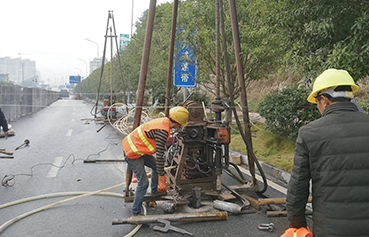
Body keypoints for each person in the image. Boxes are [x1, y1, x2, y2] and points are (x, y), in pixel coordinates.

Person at [285, 68, 369, 237]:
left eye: (316, 102)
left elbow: (298, 187)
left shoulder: (309, 133)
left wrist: (298, 224)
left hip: (330, 229)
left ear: (324, 100)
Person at [122, 106, 189, 216]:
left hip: (138, 149)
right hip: (132, 153)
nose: (180, 127)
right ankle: (136, 213)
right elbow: (159, 157)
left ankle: (154, 192)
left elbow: (158, 151)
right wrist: (162, 180)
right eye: (181, 124)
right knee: (143, 183)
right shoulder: (163, 132)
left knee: (157, 167)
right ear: (178, 123)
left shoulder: (164, 121)